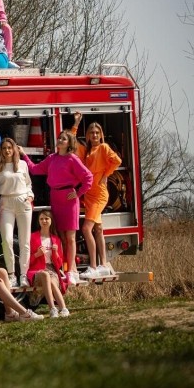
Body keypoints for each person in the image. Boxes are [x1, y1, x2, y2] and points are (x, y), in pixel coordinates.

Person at [21, 130, 93, 285]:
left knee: (70, 237)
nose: (60, 140)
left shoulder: (72, 159)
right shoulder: (52, 158)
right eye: (59, 138)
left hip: (69, 199)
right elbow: (34, 169)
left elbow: (88, 177)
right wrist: (24, 155)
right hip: (55, 197)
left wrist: (78, 193)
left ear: (69, 143)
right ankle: (64, 267)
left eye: (63, 139)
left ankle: (72, 271)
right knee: (60, 238)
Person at [72, 112, 123, 278]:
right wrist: (76, 123)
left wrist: (105, 174)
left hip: (99, 195)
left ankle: (93, 267)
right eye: (91, 133)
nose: (94, 135)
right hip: (89, 194)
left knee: (86, 229)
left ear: (101, 135)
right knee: (98, 229)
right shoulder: (86, 150)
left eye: (97, 133)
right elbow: (71, 141)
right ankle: (103, 265)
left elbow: (117, 161)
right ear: (87, 135)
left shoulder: (103, 147)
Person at [0, 137, 34, 287]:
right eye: (4, 148)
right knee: (7, 239)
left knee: (24, 241)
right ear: (1, 151)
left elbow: (28, 183)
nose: (7, 150)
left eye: (9, 147)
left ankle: (23, 275)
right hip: (6, 202)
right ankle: (11, 274)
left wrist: (30, 196)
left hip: (23, 202)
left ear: (14, 149)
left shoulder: (22, 164)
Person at [27, 211, 70, 318]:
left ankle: (63, 309)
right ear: (38, 221)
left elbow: (59, 263)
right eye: (41, 219)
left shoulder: (56, 239)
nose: (44, 221)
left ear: (51, 221)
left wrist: (55, 252)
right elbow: (26, 261)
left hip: (51, 269)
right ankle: (53, 309)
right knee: (46, 276)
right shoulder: (32, 237)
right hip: (35, 269)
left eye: (46, 219)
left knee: (51, 280)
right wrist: (37, 254)